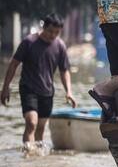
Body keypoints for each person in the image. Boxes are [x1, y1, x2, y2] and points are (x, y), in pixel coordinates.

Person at [1, 14, 76, 150]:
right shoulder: (29, 42)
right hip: (28, 88)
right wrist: (5, 88)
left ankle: (37, 159)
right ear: (44, 27)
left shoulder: (60, 46)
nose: (53, 35)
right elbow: (13, 65)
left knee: (41, 128)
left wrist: (69, 91)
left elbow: (64, 70)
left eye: (56, 32)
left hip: (47, 91)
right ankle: (28, 155)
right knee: (31, 123)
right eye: (50, 31)